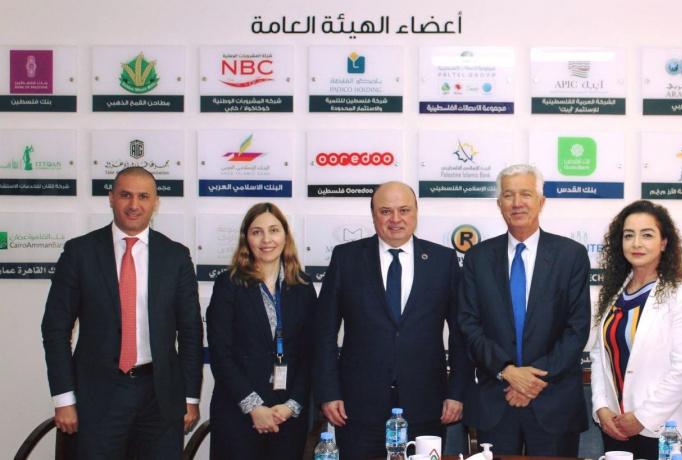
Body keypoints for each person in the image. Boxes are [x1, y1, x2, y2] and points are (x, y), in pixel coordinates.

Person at [41, 167, 202, 459]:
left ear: (155, 202)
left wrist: (190, 397)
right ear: (111, 198)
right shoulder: (80, 252)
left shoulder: (176, 256)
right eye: (125, 195)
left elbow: (191, 331)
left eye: (143, 196)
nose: (134, 204)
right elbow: (55, 329)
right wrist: (64, 398)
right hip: (97, 396)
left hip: (159, 397)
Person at [313, 181, 468, 460]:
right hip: (357, 407)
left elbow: (460, 334)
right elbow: (324, 332)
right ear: (373, 215)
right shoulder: (346, 258)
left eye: (404, 210)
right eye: (385, 211)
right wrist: (328, 392)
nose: (395, 219)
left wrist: (456, 392)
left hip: (426, 405)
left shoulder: (443, 260)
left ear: (416, 212)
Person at [458, 164, 590, 456]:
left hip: (553, 402)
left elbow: (577, 328)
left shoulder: (571, 255)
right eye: (508, 195)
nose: (517, 203)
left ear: (541, 201)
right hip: (496, 401)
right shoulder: (477, 258)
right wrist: (507, 372)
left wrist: (531, 380)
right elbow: (468, 324)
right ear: (499, 204)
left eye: (526, 194)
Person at [590, 200, 682, 459]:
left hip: (666, 430)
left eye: (647, 235)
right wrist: (601, 407)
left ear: (664, 243)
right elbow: (598, 355)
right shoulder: (614, 295)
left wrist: (642, 417)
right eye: (629, 235)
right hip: (616, 426)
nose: (636, 243)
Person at [207, 203, 316, 459]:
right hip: (238, 414)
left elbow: (311, 353)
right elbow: (220, 354)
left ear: (285, 236)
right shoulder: (228, 284)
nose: (267, 240)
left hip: (287, 415)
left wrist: (292, 405)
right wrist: (254, 407)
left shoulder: (303, 286)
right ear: (246, 238)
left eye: (274, 230)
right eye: (257, 232)